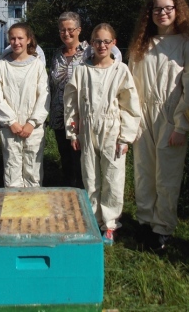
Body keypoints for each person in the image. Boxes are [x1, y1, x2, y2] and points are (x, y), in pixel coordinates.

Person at [128, 0, 189, 250]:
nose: (163, 13)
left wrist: (182, 126)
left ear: (177, 10)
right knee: (143, 171)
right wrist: (132, 120)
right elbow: (130, 87)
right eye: (157, 9)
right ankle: (145, 221)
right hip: (142, 116)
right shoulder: (141, 44)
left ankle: (163, 228)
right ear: (151, 14)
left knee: (167, 175)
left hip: (171, 116)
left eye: (168, 8)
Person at [64, 23, 141, 245]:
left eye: (106, 41)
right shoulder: (82, 70)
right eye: (97, 41)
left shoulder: (120, 70)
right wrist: (73, 132)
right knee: (90, 177)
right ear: (91, 43)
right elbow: (71, 104)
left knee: (112, 178)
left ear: (113, 43)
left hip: (112, 131)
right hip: (88, 130)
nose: (102, 45)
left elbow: (130, 106)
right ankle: (93, 220)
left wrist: (125, 137)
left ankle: (110, 225)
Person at [49, 12, 123, 188]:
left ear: (79, 30)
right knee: (66, 162)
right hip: (60, 118)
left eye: (70, 29)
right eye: (62, 30)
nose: (66, 34)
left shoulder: (90, 52)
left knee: (83, 165)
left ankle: (85, 202)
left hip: (84, 119)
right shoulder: (56, 55)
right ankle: (68, 199)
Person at [0, 23, 50, 187]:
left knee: (33, 173)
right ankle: (14, 212)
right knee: (12, 173)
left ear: (28, 40)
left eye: (20, 38)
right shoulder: (2, 65)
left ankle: (34, 211)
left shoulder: (37, 65)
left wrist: (32, 122)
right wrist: (11, 122)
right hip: (10, 128)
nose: (16, 42)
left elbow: (44, 96)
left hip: (33, 128)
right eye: (12, 38)